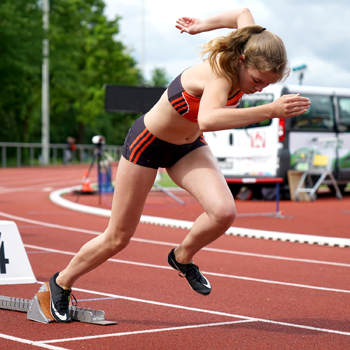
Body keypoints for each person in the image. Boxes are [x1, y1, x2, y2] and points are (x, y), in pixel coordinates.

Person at [48, 8, 311, 323]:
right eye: (256, 81)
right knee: (118, 237)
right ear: (242, 60)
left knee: (224, 212)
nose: (259, 89)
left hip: (187, 147)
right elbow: (209, 118)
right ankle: (60, 282)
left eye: (266, 86)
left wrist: (202, 25)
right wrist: (269, 110)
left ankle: (182, 256)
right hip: (148, 145)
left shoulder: (253, 42)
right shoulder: (220, 74)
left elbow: (242, 13)